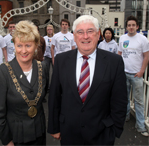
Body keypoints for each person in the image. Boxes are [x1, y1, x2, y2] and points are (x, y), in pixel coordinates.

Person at [48, 15, 127, 145]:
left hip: (102, 135)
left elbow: (120, 100)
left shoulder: (114, 62)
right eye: (80, 32)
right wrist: (54, 127)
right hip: (68, 133)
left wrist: (115, 130)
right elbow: (54, 96)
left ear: (98, 35)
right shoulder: (61, 60)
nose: (85, 36)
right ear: (74, 36)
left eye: (90, 31)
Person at [0, 20, 48, 146]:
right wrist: (7, 141)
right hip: (16, 137)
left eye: (28, 45)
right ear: (14, 45)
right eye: (19, 45)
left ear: (36, 45)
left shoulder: (42, 67)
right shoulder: (3, 72)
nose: (23, 51)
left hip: (39, 134)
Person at [118, 15, 149, 137]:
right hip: (124, 73)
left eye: (133, 25)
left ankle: (140, 126)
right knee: (124, 98)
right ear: (126, 27)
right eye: (129, 25)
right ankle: (125, 117)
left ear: (137, 26)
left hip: (137, 74)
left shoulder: (142, 39)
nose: (131, 27)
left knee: (139, 101)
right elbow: (119, 54)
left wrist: (142, 71)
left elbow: (146, 56)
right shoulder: (122, 38)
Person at [43, 24, 55, 91]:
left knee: (55, 72)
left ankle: (53, 86)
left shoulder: (55, 37)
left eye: (50, 29)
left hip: (54, 56)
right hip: (46, 57)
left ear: (52, 30)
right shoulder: (44, 38)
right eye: (48, 29)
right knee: (46, 72)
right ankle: (46, 87)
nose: (49, 31)